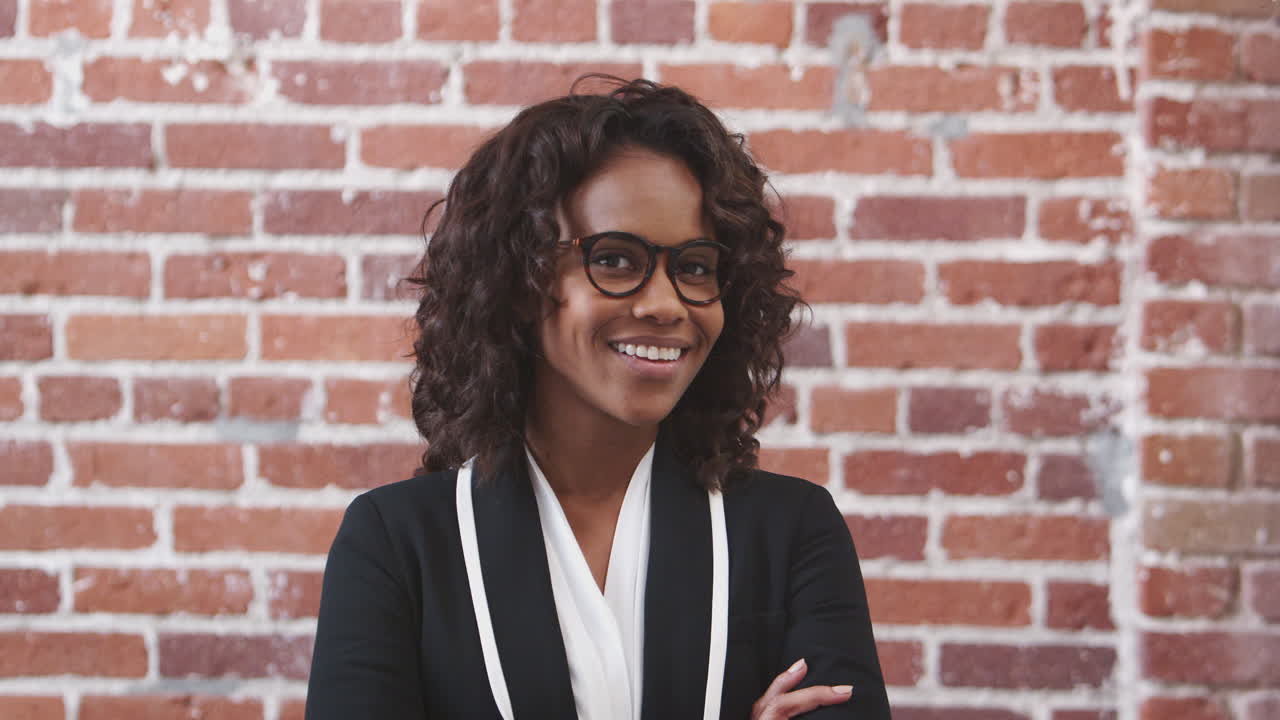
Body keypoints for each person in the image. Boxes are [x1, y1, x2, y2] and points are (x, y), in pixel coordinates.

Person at [304, 76, 891, 720]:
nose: (666, 304)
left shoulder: (790, 532)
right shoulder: (399, 544)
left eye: (696, 267)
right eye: (614, 260)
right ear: (519, 281)